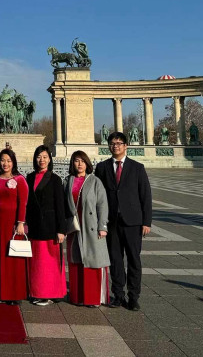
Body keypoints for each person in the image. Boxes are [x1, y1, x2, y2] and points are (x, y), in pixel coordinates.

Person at [96, 132, 152, 311]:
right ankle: (118, 294)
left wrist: (147, 222)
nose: (116, 146)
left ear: (126, 146)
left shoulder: (137, 168)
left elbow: (146, 196)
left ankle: (134, 296)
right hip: (111, 221)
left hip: (133, 221)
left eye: (119, 143)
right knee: (115, 259)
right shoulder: (102, 167)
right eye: (112, 143)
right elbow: (98, 196)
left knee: (134, 259)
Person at [64, 150, 110, 307]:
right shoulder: (68, 181)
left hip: (90, 226)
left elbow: (102, 204)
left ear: (87, 163)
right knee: (76, 261)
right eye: (76, 161)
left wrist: (102, 226)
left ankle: (92, 298)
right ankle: (77, 297)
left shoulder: (95, 181)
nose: (79, 164)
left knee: (92, 262)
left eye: (82, 161)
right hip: (75, 227)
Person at [25, 145, 66, 306]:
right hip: (34, 226)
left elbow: (60, 206)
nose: (41, 160)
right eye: (38, 157)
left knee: (49, 263)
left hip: (50, 226)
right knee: (37, 263)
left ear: (49, 159)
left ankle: (51, 292)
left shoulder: (55, 179)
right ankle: (37, 291)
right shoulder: (29, 177)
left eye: (44, 157)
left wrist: (61, 229)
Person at [0, 149, 28, 304]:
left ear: (14, 162)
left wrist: (20, 222)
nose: (5, 164)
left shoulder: (20, 180)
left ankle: (14, 293)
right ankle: (0, 292)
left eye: (9, 161)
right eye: (3, 160)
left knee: (13, 258)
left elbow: (23, 203)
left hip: (13, 223)